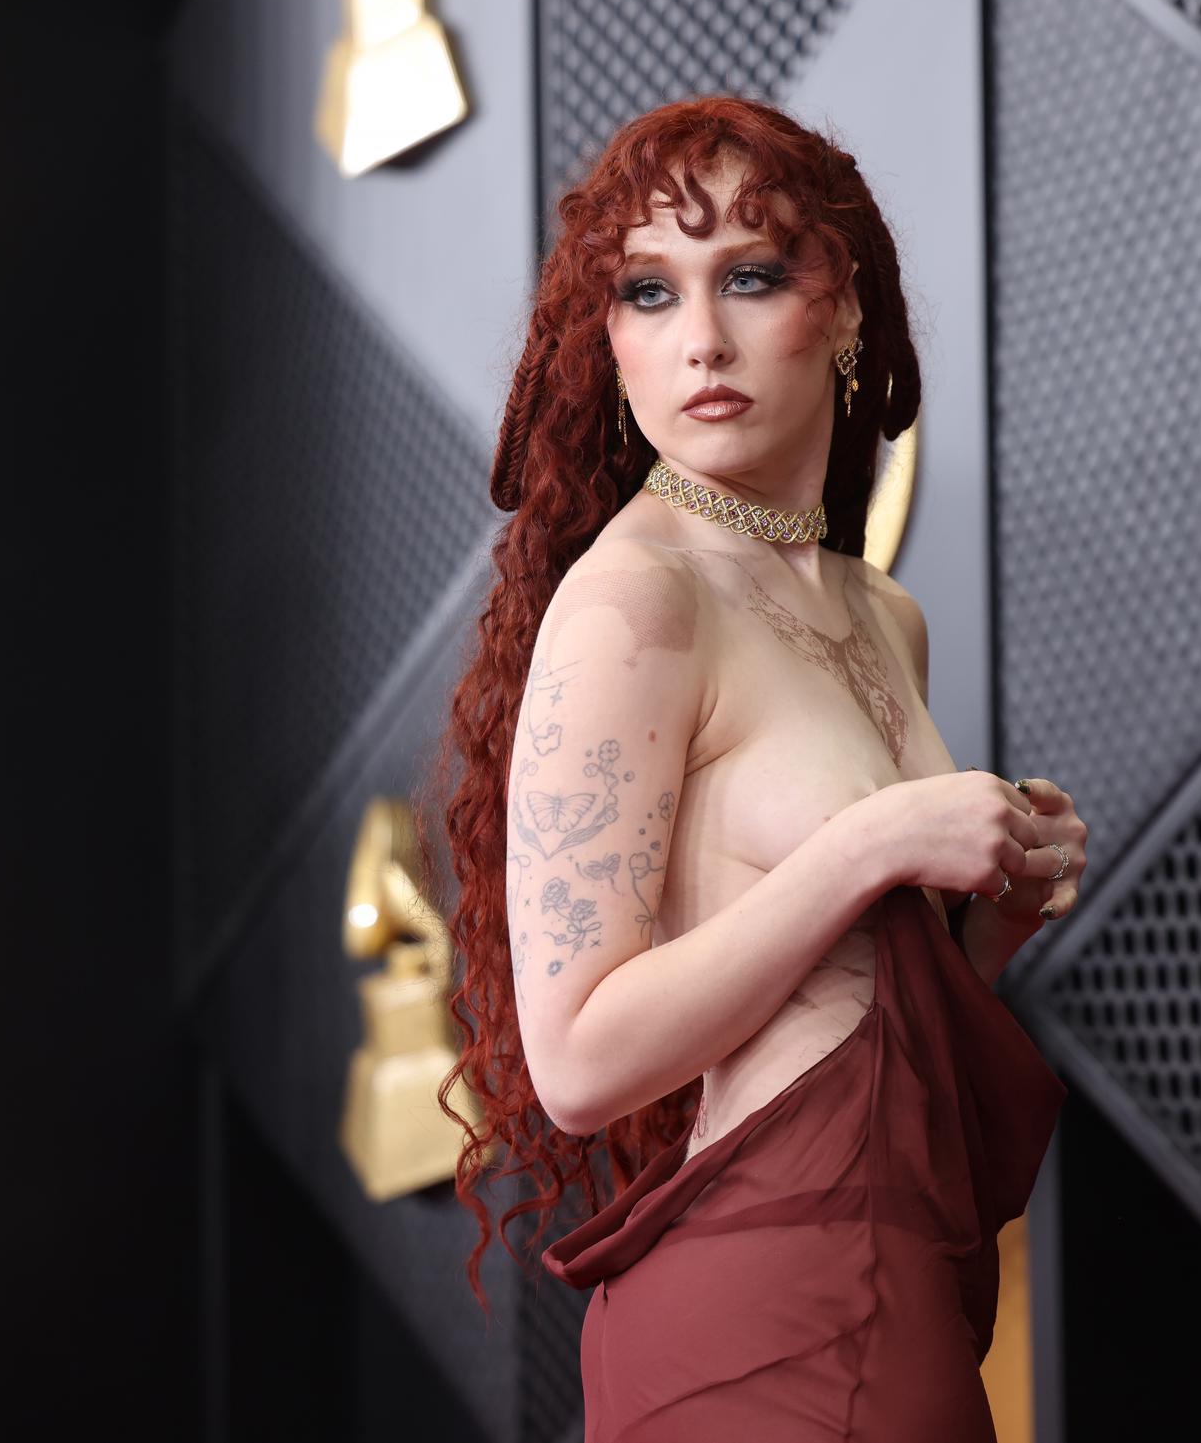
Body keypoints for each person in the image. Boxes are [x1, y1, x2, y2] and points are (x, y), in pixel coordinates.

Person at [431, 94, 1083, 1440]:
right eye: (649, 294)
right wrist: (877, 841)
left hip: (892, 1274)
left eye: (751, 275)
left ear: (844, 307)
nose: (702, 341)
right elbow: (577, 1057)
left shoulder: (877, 608)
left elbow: (868, 1013)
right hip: (755, 1313)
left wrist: (994, 919)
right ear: (606, 341)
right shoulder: (635, 603)